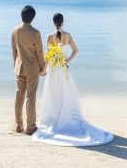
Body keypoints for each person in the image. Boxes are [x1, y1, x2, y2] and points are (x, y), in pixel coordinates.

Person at [32, 13, 113, 146]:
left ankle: (55, 117)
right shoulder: (68, 35)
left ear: (53, 23)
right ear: (63, 22)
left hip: (53, 69)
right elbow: (75, 50)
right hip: (65, 69)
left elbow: (48, 55)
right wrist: (67, 61)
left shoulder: (50, 37)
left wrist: (44, 70)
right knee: (67, 93)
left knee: (53, 94)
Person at [11, 5, 45, 135]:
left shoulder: (15, 30)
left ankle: (18, 124)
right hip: (32, 69)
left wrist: (16, 64)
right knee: (30, 97)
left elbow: (14, 50)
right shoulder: (35, 33)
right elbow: (39, 52)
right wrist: (42, 67)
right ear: (33, 18)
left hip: (19, 67)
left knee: (19, 96)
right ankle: (30, 126)